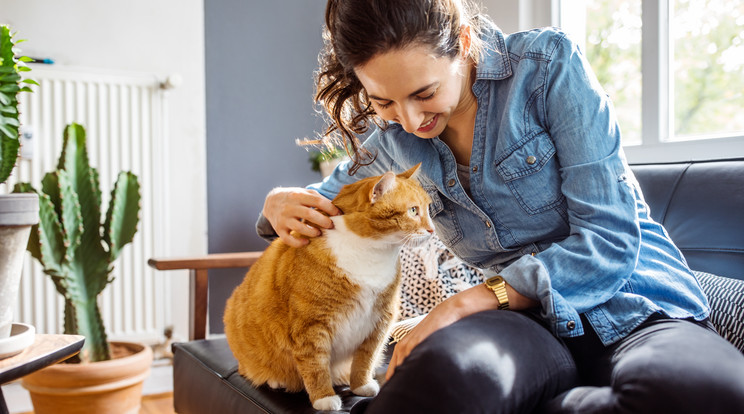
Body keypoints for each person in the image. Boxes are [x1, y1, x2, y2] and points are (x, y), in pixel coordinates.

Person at [257, 0, 744, 412]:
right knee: (445, 381)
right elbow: (321, 201)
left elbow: (610, 239)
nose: (407, 120)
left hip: (638, 303)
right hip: (526, 328)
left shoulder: (548, 68)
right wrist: (277, 203)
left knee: (698, 393)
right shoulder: (388, 139)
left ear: (464, 43)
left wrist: (467, 302)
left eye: (424, 93)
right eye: (383, 101)